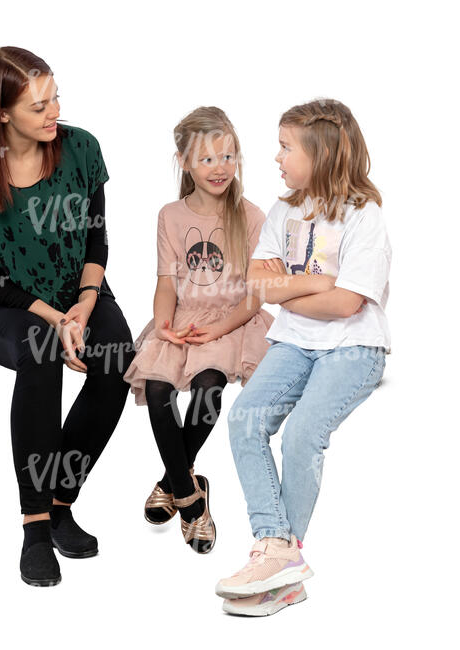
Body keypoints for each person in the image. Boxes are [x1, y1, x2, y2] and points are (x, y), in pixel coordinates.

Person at [0, 46, 135, 587]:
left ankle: (61, 499)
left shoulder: (81, 150)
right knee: (43, 352)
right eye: (38, 106)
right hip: (4, 308)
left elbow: (97, 236)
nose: (54, 114)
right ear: (2, 113)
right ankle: (35, 525)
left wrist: (87, 303)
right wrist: (57, 319)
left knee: (118, 360)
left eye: (55, 99)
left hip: (82, 293)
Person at [215, 99, 391, 616]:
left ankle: (278, 558)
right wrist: (314, 282)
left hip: (355, 346)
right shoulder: (284, 211)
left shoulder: (365, 217)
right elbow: (257, 283)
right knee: (245, 418)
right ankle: (278, 550)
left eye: (287, 147)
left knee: (301, 433)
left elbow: (346, 304)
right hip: (294, 341)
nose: (276, 157)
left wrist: (287, 289)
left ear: (324, 153)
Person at [123, 106, 275, 553]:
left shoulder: (250, 216)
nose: (220, 168)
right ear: (185, 162)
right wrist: (165, 326)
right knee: (156, 389)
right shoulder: (169, 215)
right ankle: (192, 496)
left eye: (228, 157)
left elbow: (254, 294)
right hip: (184, 317)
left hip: (232, 320)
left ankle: (176, 485)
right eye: (207, 159)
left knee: (209, 387)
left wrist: (218, 330)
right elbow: (166, 281)